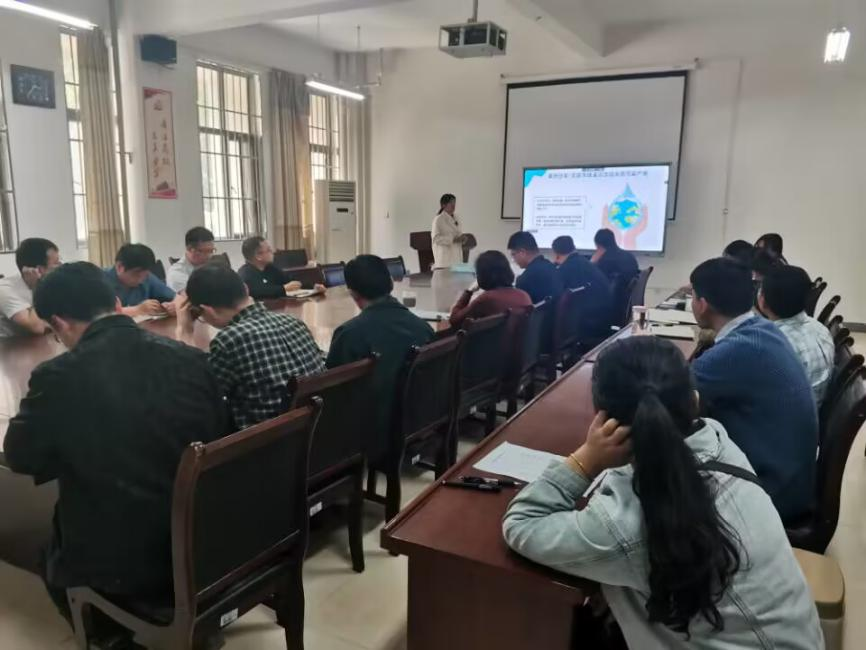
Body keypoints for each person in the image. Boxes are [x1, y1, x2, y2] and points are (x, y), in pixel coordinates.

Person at [503, 336, 822, 649]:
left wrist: (586, 460)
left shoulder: (623, 525)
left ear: (603, 421)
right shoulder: (719, 442)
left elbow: (521, 523)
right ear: (694, 401)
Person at [4, 262, 227, 628]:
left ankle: (109, 631)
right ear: (117, 303)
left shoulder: (59, 375)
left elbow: (20, 456)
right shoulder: (192, 357)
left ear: (58, 323)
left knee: (51, 552)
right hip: (204, 534)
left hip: (128, 559)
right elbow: (221, 432)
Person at [690, 257, 817, 522]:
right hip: (792, 478)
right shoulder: (763, 329)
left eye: (692, 295)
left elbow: (671, 388)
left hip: (771, 492)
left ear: (702, 304)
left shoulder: (736, 350)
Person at [180, 264, 325, 431]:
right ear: (246, 289)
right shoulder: (293, 322)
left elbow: (196, 396)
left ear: (208, 310)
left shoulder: (229, 340)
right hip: (318, 428)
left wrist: (185, 333)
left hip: (269, 440)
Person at [326, 255, 433, 461]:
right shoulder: (423, 327)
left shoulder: (349, 333)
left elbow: (333, 392)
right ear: (391, 282)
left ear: (352, 293)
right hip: (419, 419)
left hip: (373, 432)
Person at [759, 265, 834, 405]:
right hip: (812, 408)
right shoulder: (820, 328)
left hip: (788, 414)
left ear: (762, 301)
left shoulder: (773, 345)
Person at [552, 235, 613, 340]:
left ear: (557, 255)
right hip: (604, 319)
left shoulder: (566, 269)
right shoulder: (585, 263)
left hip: (588, 324)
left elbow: (556, 296)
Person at [449, 250, 531, 328]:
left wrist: (469, 291)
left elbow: (454, 320)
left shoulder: (487, 298)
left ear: (482, 275)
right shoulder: (523, 295)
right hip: (519, 339)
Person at [0, 237, 61, 337]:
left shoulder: (51, 283)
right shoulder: (4, 290)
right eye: (56, 263)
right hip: (11, 345)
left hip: (41, 341)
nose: (60, 265)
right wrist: (36, 286)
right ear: (39, 270)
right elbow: (38, 327)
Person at [237, 236, 325, 300]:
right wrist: (283, 288)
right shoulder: (245, 274)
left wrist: (313, 287)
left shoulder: (270, 268)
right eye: (269, 250)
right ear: (258, 256)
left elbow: (290, 281)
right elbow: (258, 291)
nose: (273, 252)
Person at [104, 243, 176, 317]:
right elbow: (100, 315)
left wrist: (173, 305)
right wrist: (137, 310)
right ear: (119, 267)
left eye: (145, 275)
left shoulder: (147, 277)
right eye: (136, 275)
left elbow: (175, 297)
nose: (141, 280)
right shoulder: (100, 280)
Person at [507, 231, 562, 304]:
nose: (513, 260)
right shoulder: (551, 267)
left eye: (513, 254)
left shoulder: (525, 280)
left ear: (522, 252)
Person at [166, 226, 216, 292]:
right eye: (206, 251)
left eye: (212, 251)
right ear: (191, 250)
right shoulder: (176, 273)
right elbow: (195, 296)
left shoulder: (208, 267)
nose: (209, 256)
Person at [431, 193, 464, 269]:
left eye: (454, 203)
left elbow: (458, 234)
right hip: (444, 261)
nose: (453, 205)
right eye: (451, 203)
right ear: (443, 205)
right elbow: (436, 239)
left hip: (457, 259)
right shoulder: (438, 219)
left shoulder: (456, 217)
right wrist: (453, 239)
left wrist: (462, 238)